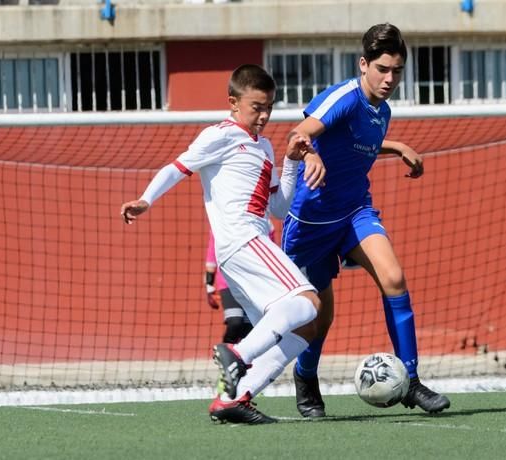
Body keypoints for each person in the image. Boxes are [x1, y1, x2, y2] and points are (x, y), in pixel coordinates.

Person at [120, 64, 326, 425]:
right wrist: (146, 199)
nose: (263, 115)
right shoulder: (221, 135)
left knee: (305, 327)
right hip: (244, 239)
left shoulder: (261, 146)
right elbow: (176, 168)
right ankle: (237, 353)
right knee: (309, 302)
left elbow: (279, 207)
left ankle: (233, 398)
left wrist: (291, 163)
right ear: (233, 103)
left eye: (269, 108)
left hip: (242, 249)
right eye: (256, 107)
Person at [282, 23, 451, 418]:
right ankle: (306, 379)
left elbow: (356, 146)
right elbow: (299, 133)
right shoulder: (344, 96)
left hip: (356, 211)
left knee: (393, 278)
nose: (390, 78)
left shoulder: (383, 111)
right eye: (382, 69)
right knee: (318, 317)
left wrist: (396, 146)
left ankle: (410, 381)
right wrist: (309, 154)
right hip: (311, 222)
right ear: (364, 64)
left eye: (397, 71)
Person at [204, 219, 276, 344]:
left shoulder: (265, 224)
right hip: (228, 283)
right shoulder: (220, 222)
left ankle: (242, 360)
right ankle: (226, 356)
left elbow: (270, 255)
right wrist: (209, 285)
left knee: (249, 329)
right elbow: (212, 254)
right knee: (235, 322)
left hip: (253, 283)